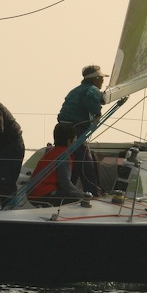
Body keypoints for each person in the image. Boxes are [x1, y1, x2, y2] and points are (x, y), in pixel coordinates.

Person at [57, 65, 107, 195]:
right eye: (102, 79)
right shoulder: (92, 90)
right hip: (75, 128)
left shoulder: (75, 90)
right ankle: (93, 192)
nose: (103, 81)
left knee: (73, 160)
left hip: (62, 127)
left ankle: (68, 191)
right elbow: (92, 101)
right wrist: (97, 113)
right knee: (85, 161)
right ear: (95, 79)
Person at [27, 123, 89, 207]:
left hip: (33, 193)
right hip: (43, 194)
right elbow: (65, 184)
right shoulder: (63, 156)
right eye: (75, 138)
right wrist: (83, 195)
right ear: (69, 141)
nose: (76, 141)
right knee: (77, 197)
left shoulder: (52, 151)